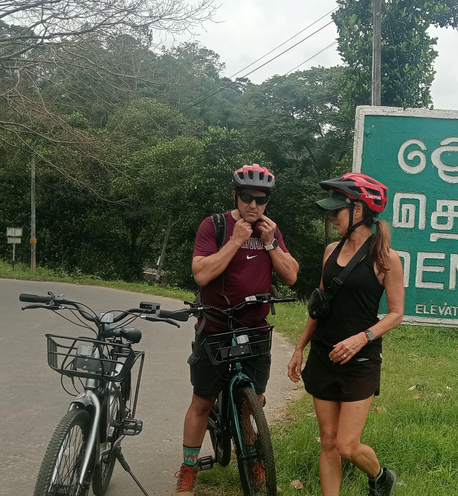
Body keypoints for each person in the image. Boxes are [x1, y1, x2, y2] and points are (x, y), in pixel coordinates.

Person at [173, 163, 300, 496]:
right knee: (202, 401)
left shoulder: (270, 230)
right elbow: (201, 274)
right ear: (235, 195)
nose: (253, 205)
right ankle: (188, 469)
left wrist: (271, 244)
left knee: (253, 400)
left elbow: (291, 276)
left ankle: (254, 459)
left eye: (261, 199)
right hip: (215, 327)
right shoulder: (214, 225)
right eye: (246, 197)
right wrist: (235, 241)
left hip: (255, 328)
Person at [288, 173, 404, 496]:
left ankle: (381, 476)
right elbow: (319, 306)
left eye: (336, 210)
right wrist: (299, 348)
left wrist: (362, 337)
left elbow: (396, 313)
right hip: (323, 354)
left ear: (358, 211)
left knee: (347, 445)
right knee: (328, 441)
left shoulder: (386, 258)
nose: (331, 217)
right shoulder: (330, 251)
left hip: (361, 360)